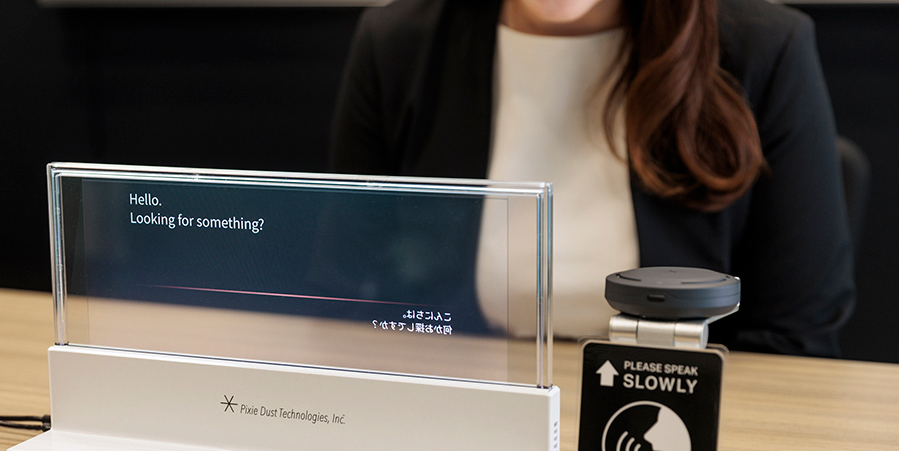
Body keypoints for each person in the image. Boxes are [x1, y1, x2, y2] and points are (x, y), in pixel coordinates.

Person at [329, 0, 855, 357]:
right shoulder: (397, 47)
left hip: (689, 436)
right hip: (467, 424)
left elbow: (795, 339)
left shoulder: (764, 48)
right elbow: (343, 300)